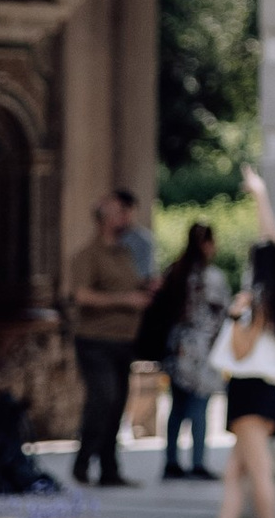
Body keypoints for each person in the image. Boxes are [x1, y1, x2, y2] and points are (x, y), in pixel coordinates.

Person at [205, 174, 275, 518]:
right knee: (235, 474)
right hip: (265, 391)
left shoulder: (259, 302)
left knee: (257, 474)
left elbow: (240, 352)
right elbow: (273, 237)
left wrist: (234, 316)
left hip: (249, 391)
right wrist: (261, 193)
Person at [65, 191, 150, 487]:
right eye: (119, 213)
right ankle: (83, 461)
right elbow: (81, 295)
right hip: (94, 340)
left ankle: (109, 469)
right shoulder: (87, 256)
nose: (126, 218)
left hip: (124, 341)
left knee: (117, 405)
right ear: (104, 219)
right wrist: (125, 300)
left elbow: (134, 284)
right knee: (103, 398)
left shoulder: (126, 254)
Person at [142, 223, 228, 481]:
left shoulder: (175, 272)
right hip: (201, 349)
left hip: (175, 346)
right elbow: (221, 314)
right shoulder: (210, 277)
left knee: (177, 407)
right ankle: (198, 461)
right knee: (200, 406)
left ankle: (171, 460)